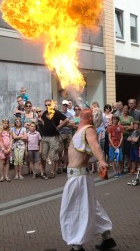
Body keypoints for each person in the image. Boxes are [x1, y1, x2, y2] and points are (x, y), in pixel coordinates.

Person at [60, 108, 116, 251]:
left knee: (73, 209)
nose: (87, 108)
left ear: (90, 118)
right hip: (79, 176)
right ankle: (107, 239)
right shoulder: (80, 129)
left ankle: (77, 246)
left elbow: (95, 145)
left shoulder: (88, 129)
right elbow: (87, 152)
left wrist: (101, 160)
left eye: (91, 110)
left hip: (78, 178)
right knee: (91, 207)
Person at [41, 99, 69, 179]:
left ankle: (53, 172)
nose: (47, 106)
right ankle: (43, 172)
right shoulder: (45, 113)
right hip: (45, 137)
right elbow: (42, 119)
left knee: (53, 155)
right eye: (46, 105)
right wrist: (45, 125)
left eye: (49, 105)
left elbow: (67, 120)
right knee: (43, 155)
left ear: (52, 105)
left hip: (53, 137)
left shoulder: (56, 112)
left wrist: (59, 126)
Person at [58, 100, 75, 173]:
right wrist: (67, 122)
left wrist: (63, 123)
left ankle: (65, 165)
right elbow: (58, 124)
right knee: (59, 150)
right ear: (61, 105)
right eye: (64, 105)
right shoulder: (59, 114)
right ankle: (59, 165)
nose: (65, 106)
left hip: (69, 133)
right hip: (61, 133)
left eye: (66, 105)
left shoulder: (70, 114)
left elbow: (72, 124)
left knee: (67, 151)